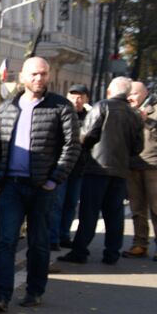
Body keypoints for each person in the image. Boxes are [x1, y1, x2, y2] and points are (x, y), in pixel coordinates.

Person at [0, 56, 79, 311]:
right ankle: (1, 296)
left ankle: (34, 291)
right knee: (6, 241)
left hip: (42, 187)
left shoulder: (60, 106)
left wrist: (54, 179)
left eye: (43, 73)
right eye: (34, 74)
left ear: (49, 76)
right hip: (11, 186)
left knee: (38, 243)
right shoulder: (7, 108)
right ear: (22, 76)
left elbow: (71, 147)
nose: (39, 78)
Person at [60, 76, 144, 266]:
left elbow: (86, 135)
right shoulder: (134, 114)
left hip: (96, 167)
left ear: (109, 91)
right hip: (120, 170)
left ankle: (80, 251)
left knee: (89, 212)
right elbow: (138, 147)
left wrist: (83, 146)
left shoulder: (102, 106)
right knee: (114, 214)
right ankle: (112, 253)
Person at [51, 83, 91, 249]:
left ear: (86, 99)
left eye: (80, 96)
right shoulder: (62, 113)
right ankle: (53, 238)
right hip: (61, 166)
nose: (76, 100)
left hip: (79, 167)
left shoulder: (90, 117)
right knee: (57, 204)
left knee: (71, 204)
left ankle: (64, 235)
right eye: (73, 96)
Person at [121, 80, 157, 257]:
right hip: (132, 165)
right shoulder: (125, 111)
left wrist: (148, 121)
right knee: (137, 208)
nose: (130, 97)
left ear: (145, 93)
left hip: (153, 166)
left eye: (134, 93)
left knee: (156, 208)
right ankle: (140, 244)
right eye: (128, 94)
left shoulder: (154, 110)